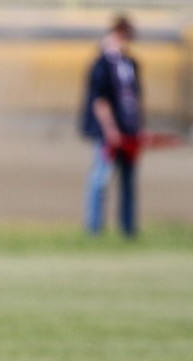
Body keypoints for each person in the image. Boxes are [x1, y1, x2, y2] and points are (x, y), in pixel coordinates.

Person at [80, 14, 143, 237]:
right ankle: (93, 229)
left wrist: (137, 129)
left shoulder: (130, 63)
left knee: (128, 181)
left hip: (129, 131)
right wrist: (111, 130)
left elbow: (134, 99)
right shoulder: (102, 64)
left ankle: (128, 230)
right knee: (100, 179)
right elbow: (100, 101)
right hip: (109, 134)